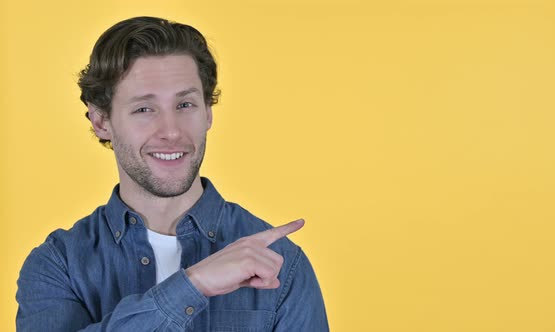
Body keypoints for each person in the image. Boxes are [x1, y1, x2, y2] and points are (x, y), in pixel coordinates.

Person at [16, 16, 329, 331]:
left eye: (185, 105)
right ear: (101, 122)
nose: (171, 132)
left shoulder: (279, 264)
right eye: (144, 109)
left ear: (207, 112)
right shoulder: (58, 265)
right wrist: (193, 285)